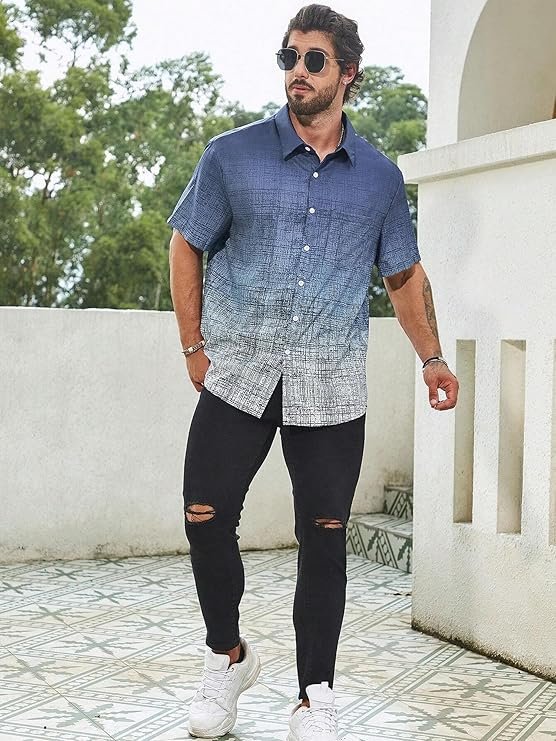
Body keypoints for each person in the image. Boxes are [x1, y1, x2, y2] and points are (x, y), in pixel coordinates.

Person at [167, 4, 459, 739]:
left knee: (325, 537)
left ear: (347, 73)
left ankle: (314, 694)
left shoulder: (381, 179)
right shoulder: (231, 155)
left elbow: (403, 275)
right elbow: (186, 242)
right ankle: (227, 654)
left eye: (314, 59)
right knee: (204, 515)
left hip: (331, 385)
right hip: (238, 374)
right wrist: (193, 345)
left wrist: (432, 357)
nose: (298, 70)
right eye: (289, 57)